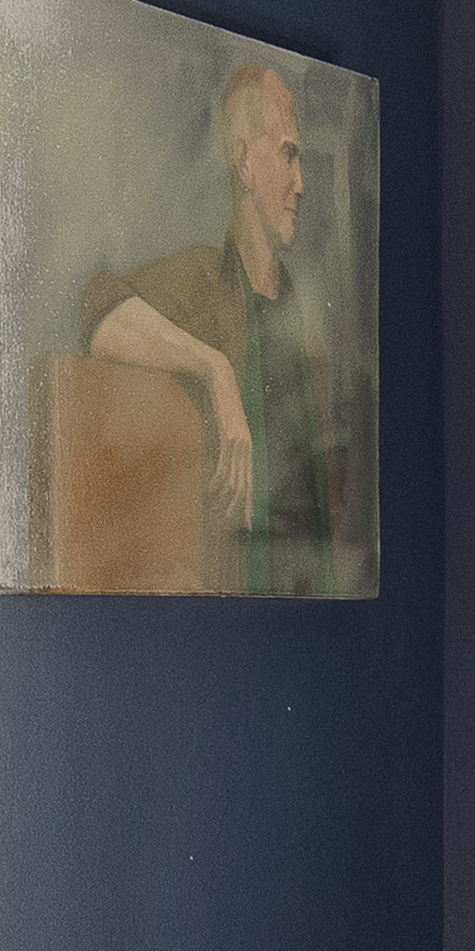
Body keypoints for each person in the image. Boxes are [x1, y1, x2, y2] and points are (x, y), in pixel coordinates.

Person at [87, 59, 344, 575]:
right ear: (245, 162)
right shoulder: (205, 281)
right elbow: (100, 312)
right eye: (288, 155)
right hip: (233, 589)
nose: (302, 184)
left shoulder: (304, 328)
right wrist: (215, 369)